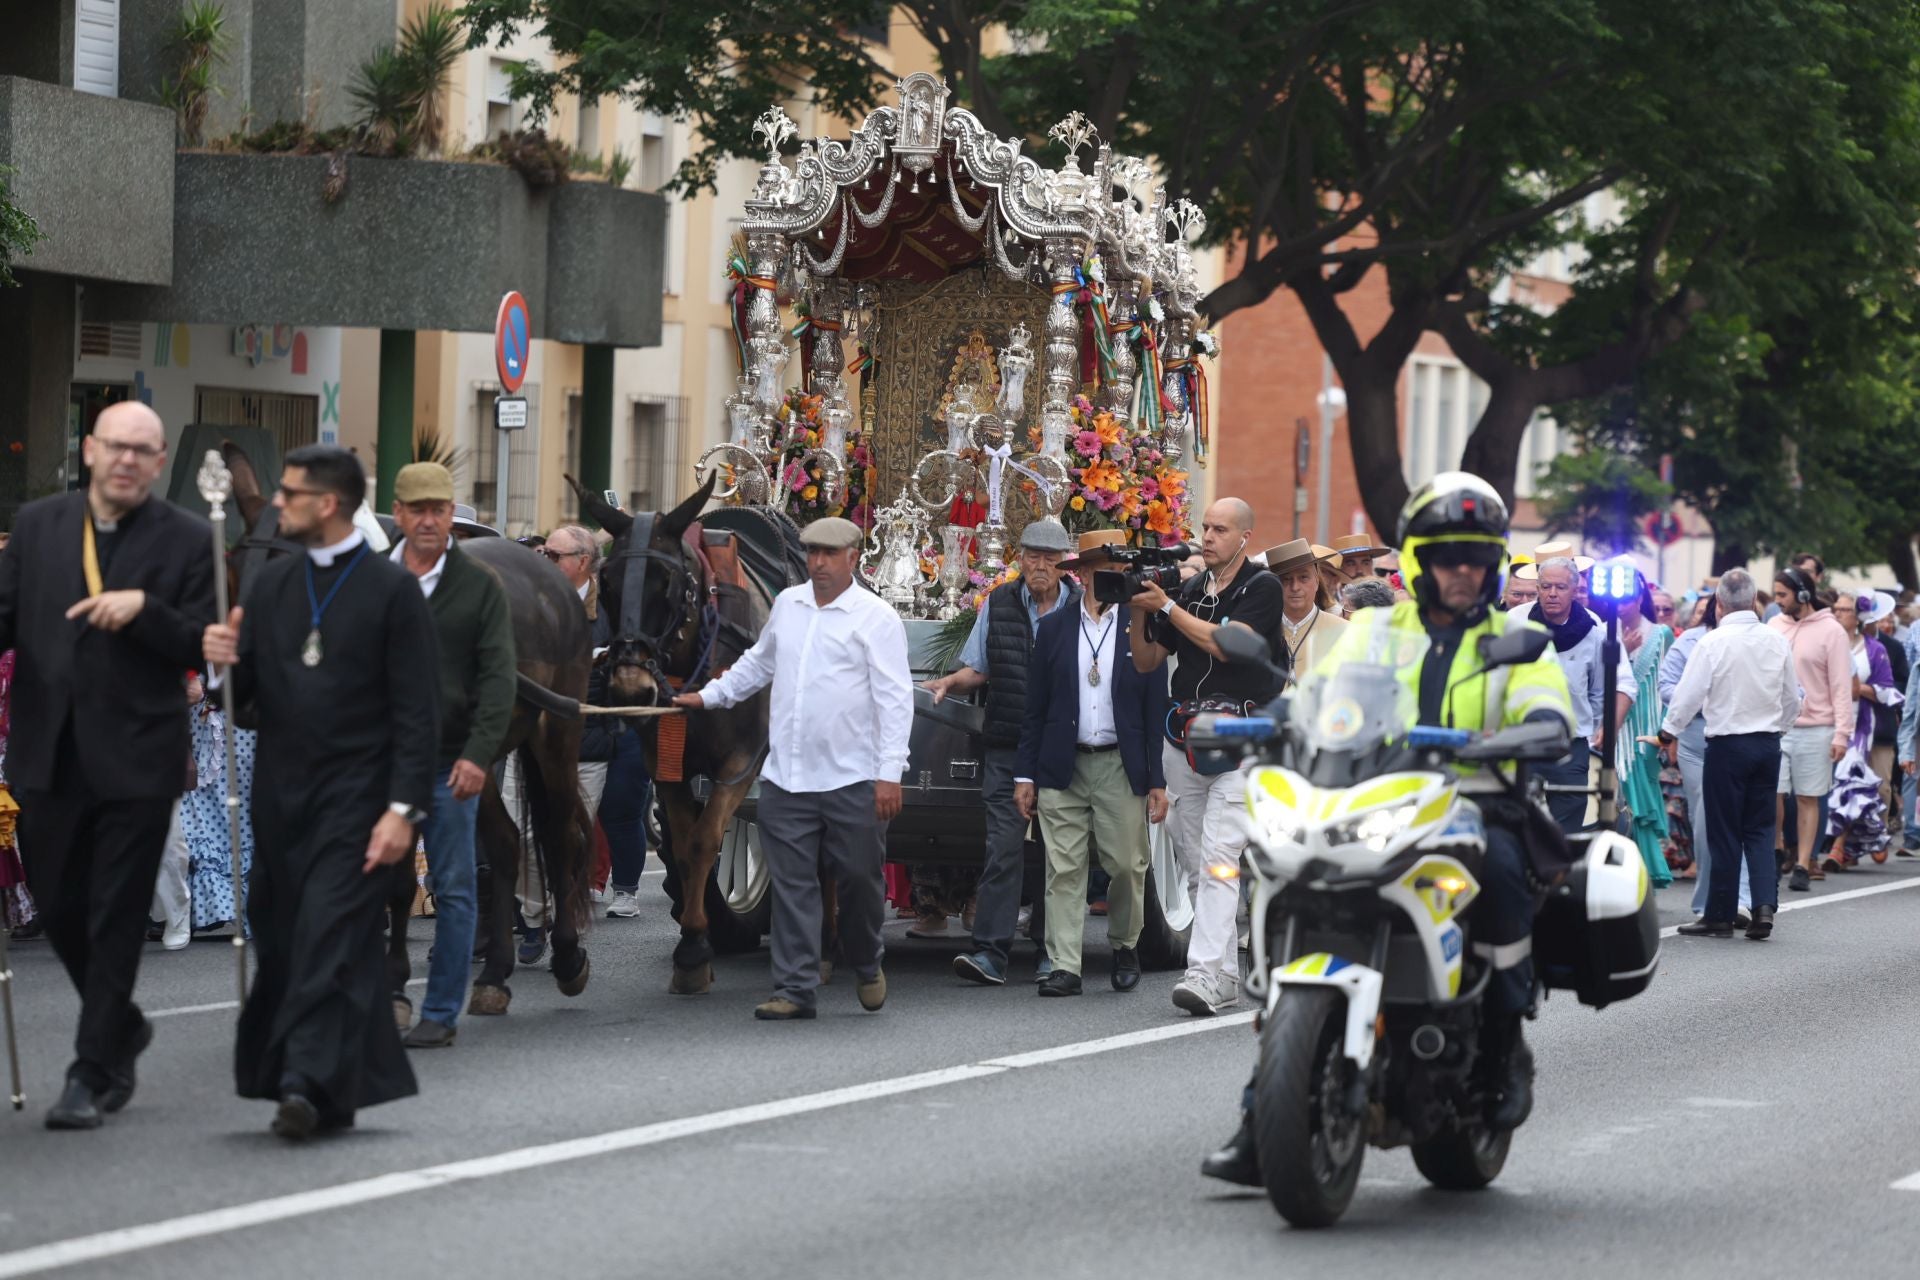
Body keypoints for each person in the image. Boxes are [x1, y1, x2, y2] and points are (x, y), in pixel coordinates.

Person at [1202, 472, 1575, 1188]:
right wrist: (1269, 720)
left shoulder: (1517, 638)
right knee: (1288, 867)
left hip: (1471, 799)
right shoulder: (1376, 629)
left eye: (1472, 559)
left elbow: (1544, 708)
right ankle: (1264, 1118)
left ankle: (1502, 1046)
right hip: (1371, 794)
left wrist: (1530, 730)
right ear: (1421, 564)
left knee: (1498, 868)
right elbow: (1317, 696)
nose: (1460, 572)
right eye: (1445, 557)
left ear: (1492, 565)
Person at [202, 445, 439, 1138]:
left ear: (327, 503)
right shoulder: (271, 586)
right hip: (281, 802)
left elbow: (418, 713)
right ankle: (343, 1085)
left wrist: (403, 811)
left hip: (359, 804)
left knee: (327, 935)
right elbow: (241, 702)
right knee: (282, 939)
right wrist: (221, 663)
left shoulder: (392, 592)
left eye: (289, 492)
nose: (278, 503)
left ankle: (302, 1083)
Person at [0, 402, 215, 1131]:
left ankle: (91, 1070)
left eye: (142, 450)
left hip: (138, 757)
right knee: (57, 906)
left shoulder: (188, 539)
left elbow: (202, 639)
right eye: (115, 445)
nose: (126, 459)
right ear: (90, 449)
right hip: (47, 750)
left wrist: (145, 609)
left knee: (118, 912)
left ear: (158, 463)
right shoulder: (38, 527)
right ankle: (122, 1023)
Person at [673, 517, 912, 1020]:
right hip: (787, 778)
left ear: (853, 557)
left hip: (853, 778)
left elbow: (895, 701)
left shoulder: (876, 617)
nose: (818, 563)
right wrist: (708, 696)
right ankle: (795, 988)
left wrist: (890, 772)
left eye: (829, 554)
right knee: (793, 886)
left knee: (860, 882)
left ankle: (868, 961)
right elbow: (758, 665)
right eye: (812, 553)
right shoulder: (789, 605)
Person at [1128, 497, 1286, 1016]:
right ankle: (1226, 972)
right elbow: (1151, 659)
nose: (1208, 536)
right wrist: (1137, 608)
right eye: (1205, 527)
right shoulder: (1193, 588)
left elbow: (1227, 646)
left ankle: (1202, 971)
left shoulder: (1262, 586)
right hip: (1185, 740)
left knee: (1220, 855)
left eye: (1220, 529)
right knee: (1198, 862)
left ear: (1245, 537)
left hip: (1243, 740)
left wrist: (1167, 608)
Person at [388, 462, 516, 1049]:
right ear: (399, 514)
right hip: (380, 762)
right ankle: (380, 994)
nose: (430, 520)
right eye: (418, 510)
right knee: (366, 882)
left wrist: (478, 755)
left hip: (448, 763)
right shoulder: (373, 579)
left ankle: (440, 1012)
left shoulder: (478, 587)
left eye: (440, 509)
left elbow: (498, 679)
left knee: (456, 885)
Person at [1013, 532, 1170, 996]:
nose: (1110, 576)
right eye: (1100, 568)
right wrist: (1026, 774)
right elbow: (1035, 707)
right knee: (1063, 868)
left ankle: (1124, 944)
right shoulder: (1057, 627)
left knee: (1126, 864)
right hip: (1064, 764)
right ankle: (1065, 965)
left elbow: (1154, 704)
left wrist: (1157, 778)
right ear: (1080, 575)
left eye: (1117, 568)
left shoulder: (1141, 623)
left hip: (1120, 765)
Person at [925, 519, 1079, 986]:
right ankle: (990, 952)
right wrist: (951, 681)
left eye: (1050, 559)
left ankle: (1054, 952)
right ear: (1019, 558)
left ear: (1064, 565)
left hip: (1060, 744)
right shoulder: (1000, 602)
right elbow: (980, 668)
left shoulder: (1082, 608)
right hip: (1008, 743)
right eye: (1033, 556)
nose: (1040, 566)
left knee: (1060, 852)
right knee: (1002, 849)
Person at [1659, 569, 1798, 940]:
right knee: (1760, 828)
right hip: (1767, 744)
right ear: (1754, 601)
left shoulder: (1712, 642)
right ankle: (1764, 906)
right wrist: (1779, 728)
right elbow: (1792, 698)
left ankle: (1719, 912)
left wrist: (1667, 731)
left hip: (1726, 744)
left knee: (1723, 831)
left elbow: (1688, 695)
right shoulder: (1776, 640)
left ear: (1719, 604)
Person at [1509, 557, 1633, 834]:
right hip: (1520, 741)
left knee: (1568, 830)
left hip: (1571, 744)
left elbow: (1604, 689)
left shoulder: (1596, 631)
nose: (1552, 593)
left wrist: (1604, 730)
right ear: (1538, 587)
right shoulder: (1514, 622)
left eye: (1561, 587)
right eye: (1546, 586)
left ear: (1576, 589)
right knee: (1519, 822)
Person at [1659, 596, 1753, 922]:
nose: (1708, 614)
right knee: (1704, 822)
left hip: (1739, 736)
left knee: (1735, 818)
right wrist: (1703, 698)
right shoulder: (1689, 641)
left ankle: (1739, 898)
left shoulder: (1756, 638)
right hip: (1697, 741)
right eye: (1700, 611)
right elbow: (1667, 686)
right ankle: (1707, 901)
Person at [1769, 566, 1851, 892]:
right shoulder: (1773, 626)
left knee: (1807, 798)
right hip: (1776, 727)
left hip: (1817, 728)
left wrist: (1842, 733)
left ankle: (1803, 862)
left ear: (1803, 595)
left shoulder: (1832, 632)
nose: (1777, 602)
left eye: (1782, 595)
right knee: (1772, 793)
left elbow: (1841, 687)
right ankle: (1776, 850)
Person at [1821, 593, 1902, 869]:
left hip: (1866, 727)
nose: (1839, 613)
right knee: (1841, 786)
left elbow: (1889, 688)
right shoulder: (1825, 643)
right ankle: (1840, 846)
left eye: (1845, 609)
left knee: (1868, 785)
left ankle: (1853, 842)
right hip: (1830, 724)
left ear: (1858, 616)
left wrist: (1859, 689)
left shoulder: (1874, 649)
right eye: (1836, 608)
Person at [1616, 584, 1673, 886]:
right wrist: (1621, 652)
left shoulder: (1661, 634)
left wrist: (1666, 733)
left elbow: (1667, 687)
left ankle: (1646, 872)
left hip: (1647, 732)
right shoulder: (1604, 630)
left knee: (1642, 804)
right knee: (1616, 799)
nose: (1622, 605)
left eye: (1628, 598)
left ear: (1640, 599)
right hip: (1615, 726)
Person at [1266, 538, 1349, 671]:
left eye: (1303, 577)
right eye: (1286, 579)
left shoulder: (1342, 631)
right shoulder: (1260, 628)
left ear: (1316, 582)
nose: (1295, 587)